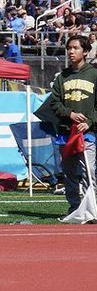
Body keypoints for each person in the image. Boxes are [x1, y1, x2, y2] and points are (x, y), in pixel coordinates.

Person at [47, 35, 97, 223]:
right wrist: (69, 114)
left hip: (87, 133)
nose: (71, 51)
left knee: (89, 172)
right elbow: (55, 103)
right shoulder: (62, 77)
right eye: (69, 48)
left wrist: (89, 122)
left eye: (75, 48)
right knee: (68, 173)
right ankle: (74, 209)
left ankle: (91, 209)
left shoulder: (94, 74)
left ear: (85, 51)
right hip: (66, 133)